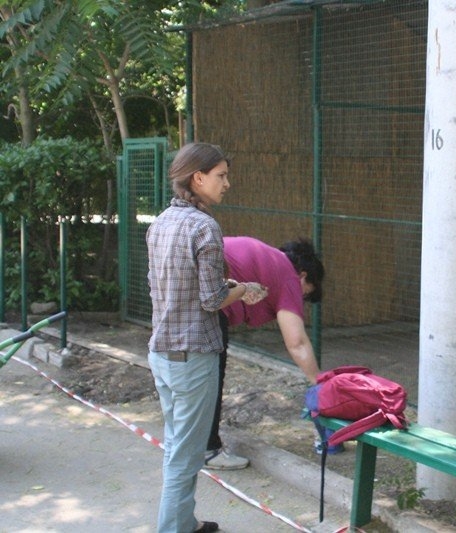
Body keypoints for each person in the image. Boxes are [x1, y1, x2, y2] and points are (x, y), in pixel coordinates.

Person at [146, 142, 266, 533]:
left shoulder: (161, 222)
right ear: (197, 178)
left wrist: (228, 285)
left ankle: (185, 522)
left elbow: (170, 285)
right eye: (221, 175)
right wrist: (243, 287)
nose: (227, 183)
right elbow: (212, 298)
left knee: (177, 447)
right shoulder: (204, 226)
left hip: (161, 353)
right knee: (186, 455)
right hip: (193, 357)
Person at [204, 235, 327, 470]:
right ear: (303, 275)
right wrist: (318, 381)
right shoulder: (289, 277)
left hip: (185, 295)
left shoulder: (270, 259)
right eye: (306, 294)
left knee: (194, 378)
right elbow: (297, 342)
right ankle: (208, 450)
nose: (300, 299)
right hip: (209, 302)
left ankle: (184, 444)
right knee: (211, 379)